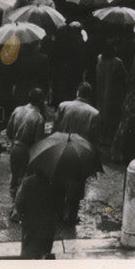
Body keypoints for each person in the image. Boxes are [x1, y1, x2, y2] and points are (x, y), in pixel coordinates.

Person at [53, 82, 100, 224]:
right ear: (89, 96)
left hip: (62, 147)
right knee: (76, 187)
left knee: (60, 183)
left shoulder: (63, 106)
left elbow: (55, 128)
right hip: (80, 152)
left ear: (77, 93)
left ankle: (58, 214)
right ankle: (71, 218)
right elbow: (94, 139)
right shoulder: (94, 113)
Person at [13, 169, 63, 259]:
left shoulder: (27, 182)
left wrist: (22, 213)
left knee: (28, 251)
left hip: (30, 223)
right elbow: (60, 204)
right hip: (48, 224)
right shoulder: (55, 182)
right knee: (45, 250)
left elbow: (19, 202)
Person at [6, 88, 46, 198]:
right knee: (23, 182)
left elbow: (8, 131)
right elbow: (38, 143)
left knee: (13, 180)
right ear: (41, 101)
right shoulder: (39, 118)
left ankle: (11, 203)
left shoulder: (17, 110)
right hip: (27, 151)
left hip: (14, 148)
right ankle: (17, 208)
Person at [95, 41, 127, 145]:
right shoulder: (117, 62)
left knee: (102, 112)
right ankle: (110, 138)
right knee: (113, 115)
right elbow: (123, 76)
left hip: (101, 88)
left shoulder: (100, 58)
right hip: (114, 92)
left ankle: (102, 137)